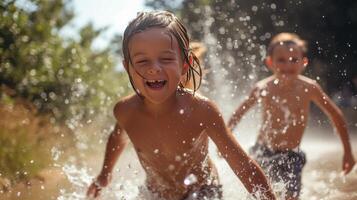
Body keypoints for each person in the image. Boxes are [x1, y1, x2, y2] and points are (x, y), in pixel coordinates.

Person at [86, 11, 276, 200]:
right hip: (156, 194)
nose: (154, 68)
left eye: (166, 59)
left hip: (203, 190)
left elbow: (242, 164)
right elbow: (118, 138)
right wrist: (105, 174)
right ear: (128, 67)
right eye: (142, 61)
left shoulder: (201, 110)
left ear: (185, 64)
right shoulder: (125, 111)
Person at [227, 32, 356, 200]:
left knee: (291, 197)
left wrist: (347, 151)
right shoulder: (263, 88)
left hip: (292, 155)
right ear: (270, 62)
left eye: (294, 60)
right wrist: (227, 145)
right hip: (262, 152)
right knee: (260, 195)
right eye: (281, 60)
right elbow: (238, 113)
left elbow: (335, 115)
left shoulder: (309, 88)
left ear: (304, 62)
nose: (288, 65)